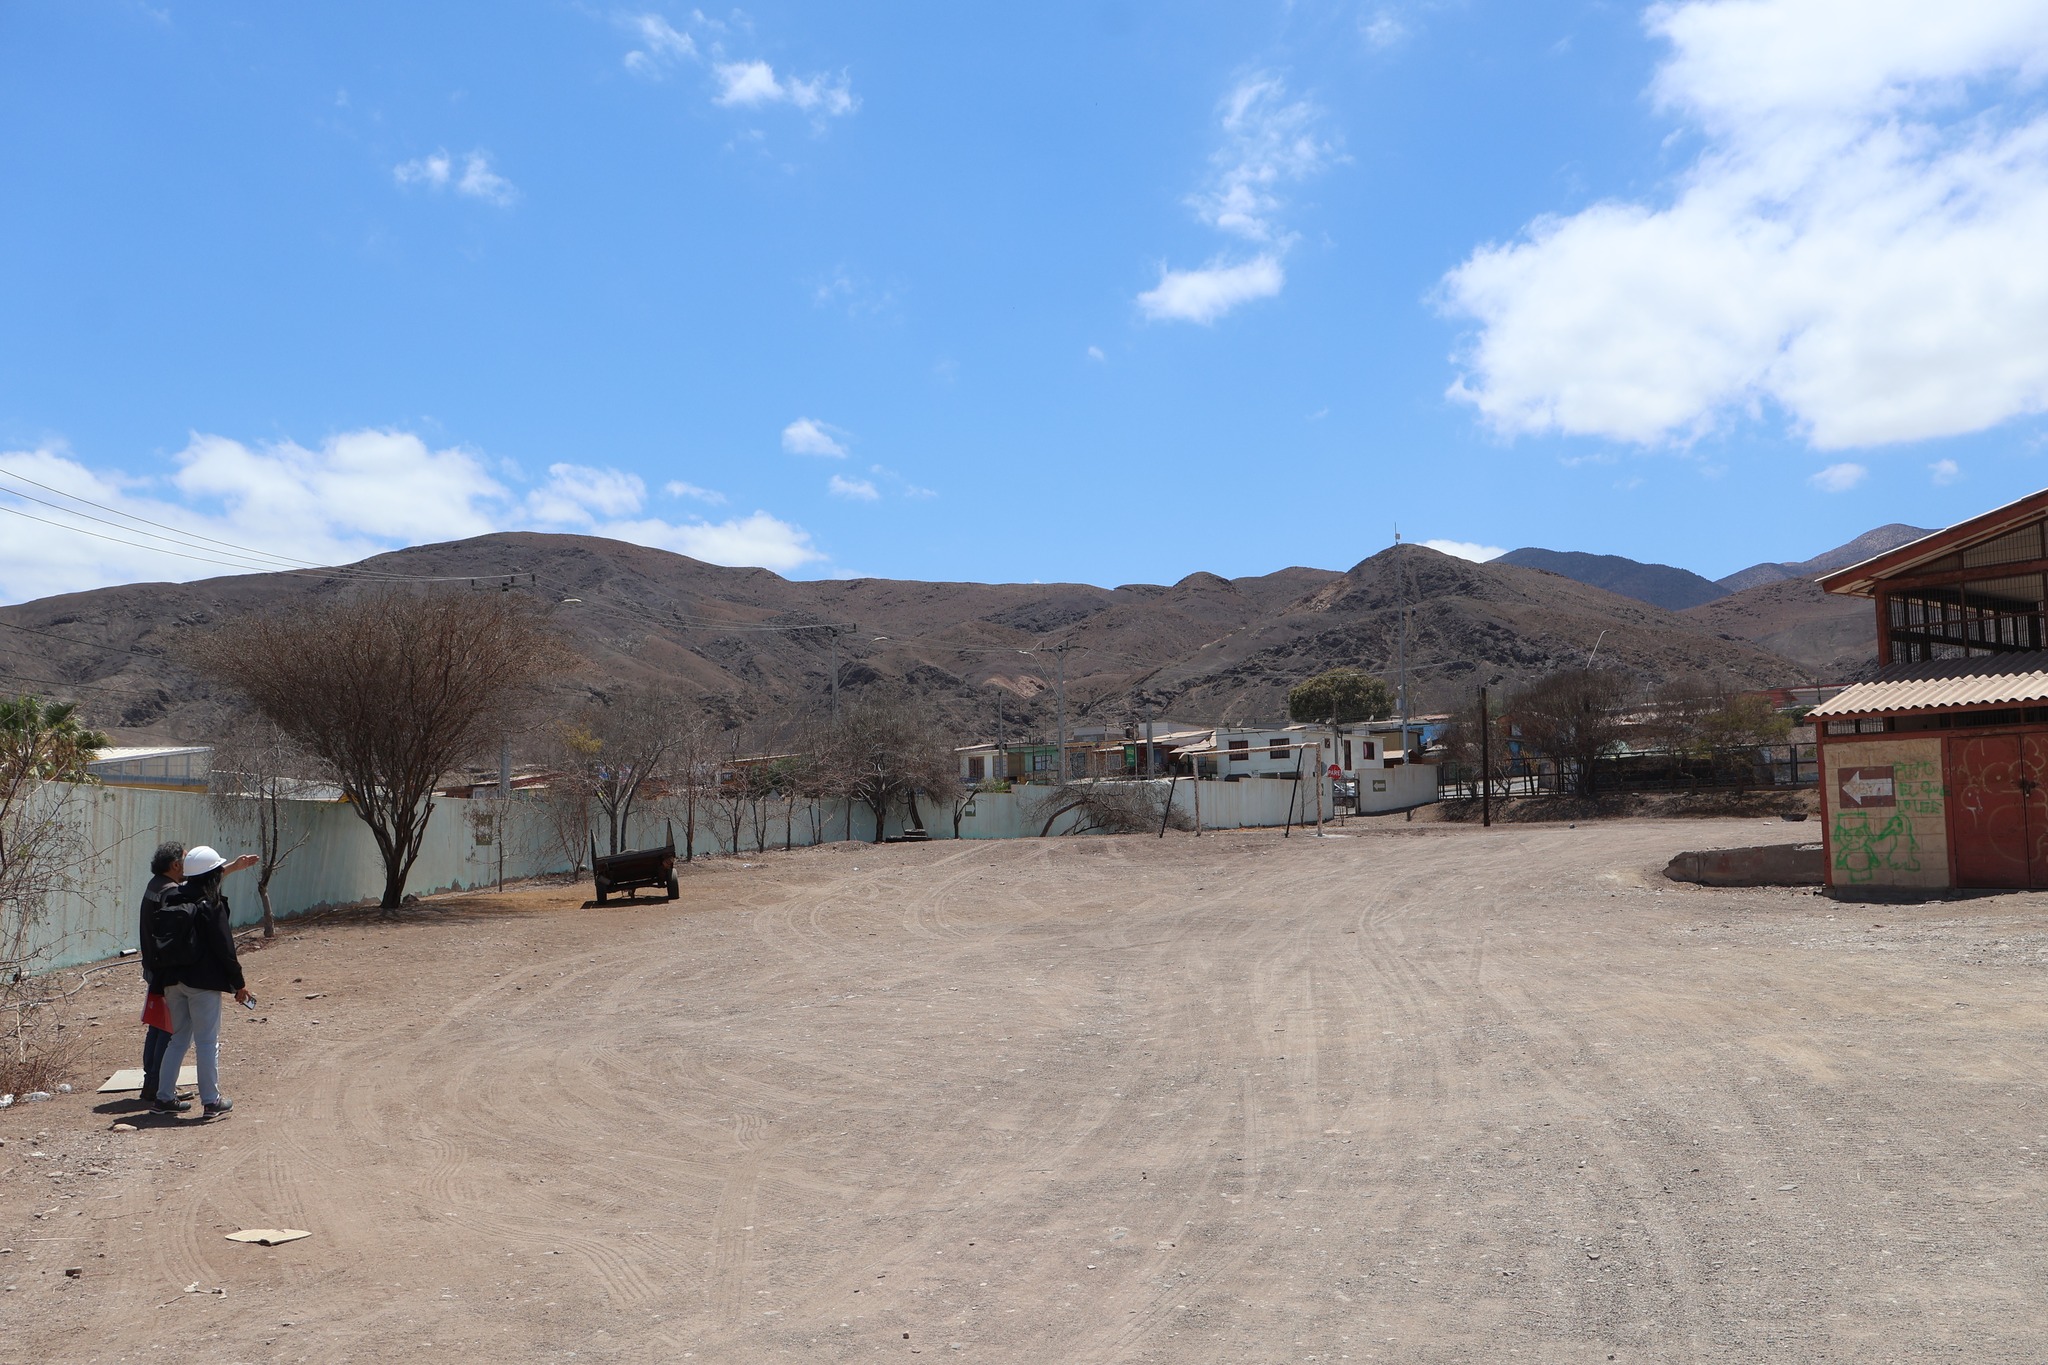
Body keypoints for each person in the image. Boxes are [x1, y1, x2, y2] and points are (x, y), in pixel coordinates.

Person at [152, 846, 257, 1118]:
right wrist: (239, 984)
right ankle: (211, 1101)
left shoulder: (172, 897)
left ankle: (163, 1098)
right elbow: (225, 949)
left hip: (172, 981)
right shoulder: (211, 905)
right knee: (207, 1042)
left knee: (178, 1040)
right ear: (212, 875)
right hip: (202, 984)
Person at [136, 841, 186, 1110]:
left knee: (157, 1026)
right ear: (176, 865)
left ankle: (151, 1083)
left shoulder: (154, 885)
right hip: (166, 970)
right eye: (186, 860)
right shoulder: (169, 892)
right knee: (168, 1029)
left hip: (153, 967)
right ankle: (159, 1086)